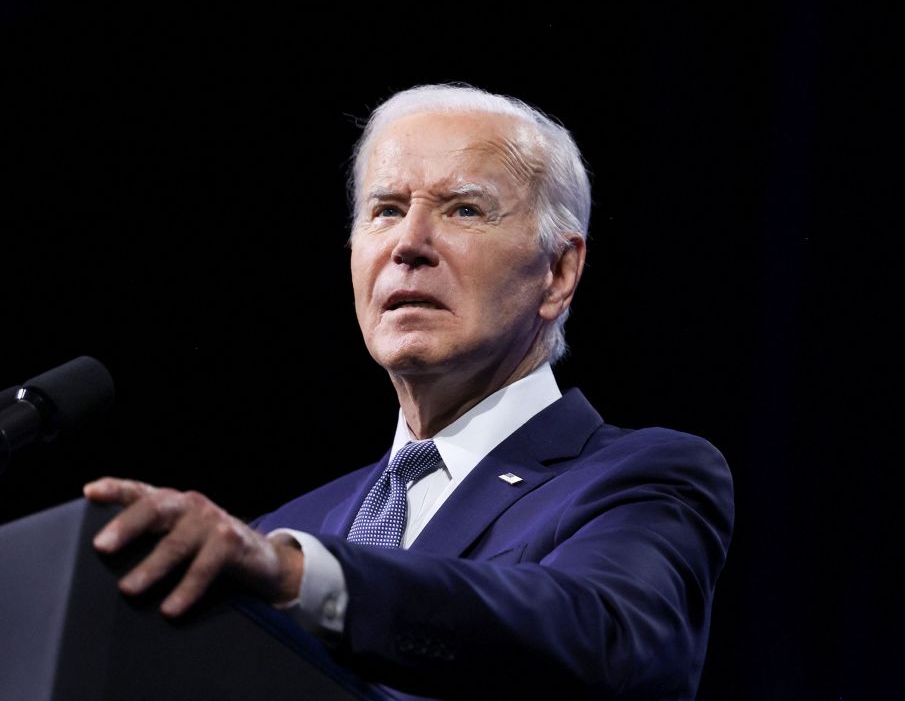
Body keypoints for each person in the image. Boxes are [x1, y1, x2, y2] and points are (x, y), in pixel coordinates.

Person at [83, 83, 734, 700]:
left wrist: (301, 578)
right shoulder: (284, 528)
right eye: (386, 210)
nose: (409, 245)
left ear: (559, 272)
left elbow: (604, 638)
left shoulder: (643, 478)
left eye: (464, 209)